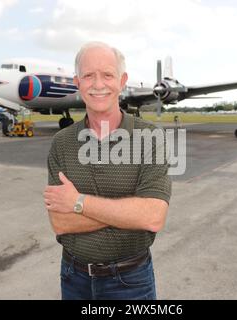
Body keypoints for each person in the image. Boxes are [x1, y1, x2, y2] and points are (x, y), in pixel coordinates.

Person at [44, 41, 171, 300]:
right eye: (88, 75)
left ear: (122, 81)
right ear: (77, 82)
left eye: (107, 75)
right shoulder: (61, 142)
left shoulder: (150, 137)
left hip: (131, 281)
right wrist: (129, 212)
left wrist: (77, 202)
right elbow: (60, 222)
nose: (98, 84)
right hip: (73, 277)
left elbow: (153, 217)